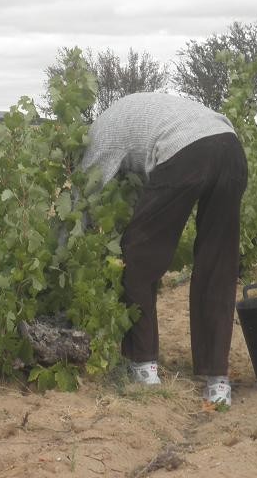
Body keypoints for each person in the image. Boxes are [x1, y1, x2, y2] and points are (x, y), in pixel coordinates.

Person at [81, 92, 248, 406]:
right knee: (218, 264)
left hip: (187, 155)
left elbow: (83, 197)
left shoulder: (100, 134)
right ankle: (217, 382)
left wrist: (72, 248)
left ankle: (143, 365)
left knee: (138, 255)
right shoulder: (140, 111)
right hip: (231, 151)